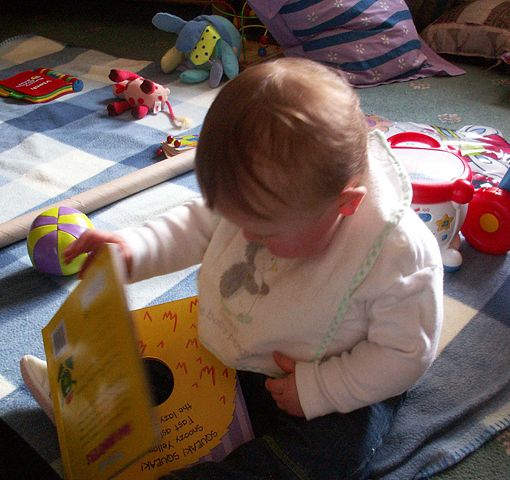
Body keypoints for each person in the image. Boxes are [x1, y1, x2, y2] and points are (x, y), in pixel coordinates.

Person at [21, 57, 444, 479]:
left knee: (329, 453)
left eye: (259, 230)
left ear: (345, 205)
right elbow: (197, 224)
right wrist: (135, 249)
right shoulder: (257, 202)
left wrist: (320, 388)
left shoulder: (396, 256)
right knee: (166, 355)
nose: (241, 236)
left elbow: (405, 354)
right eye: (232, 217)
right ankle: (86, 410)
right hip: (242, 344)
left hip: (338, 375)